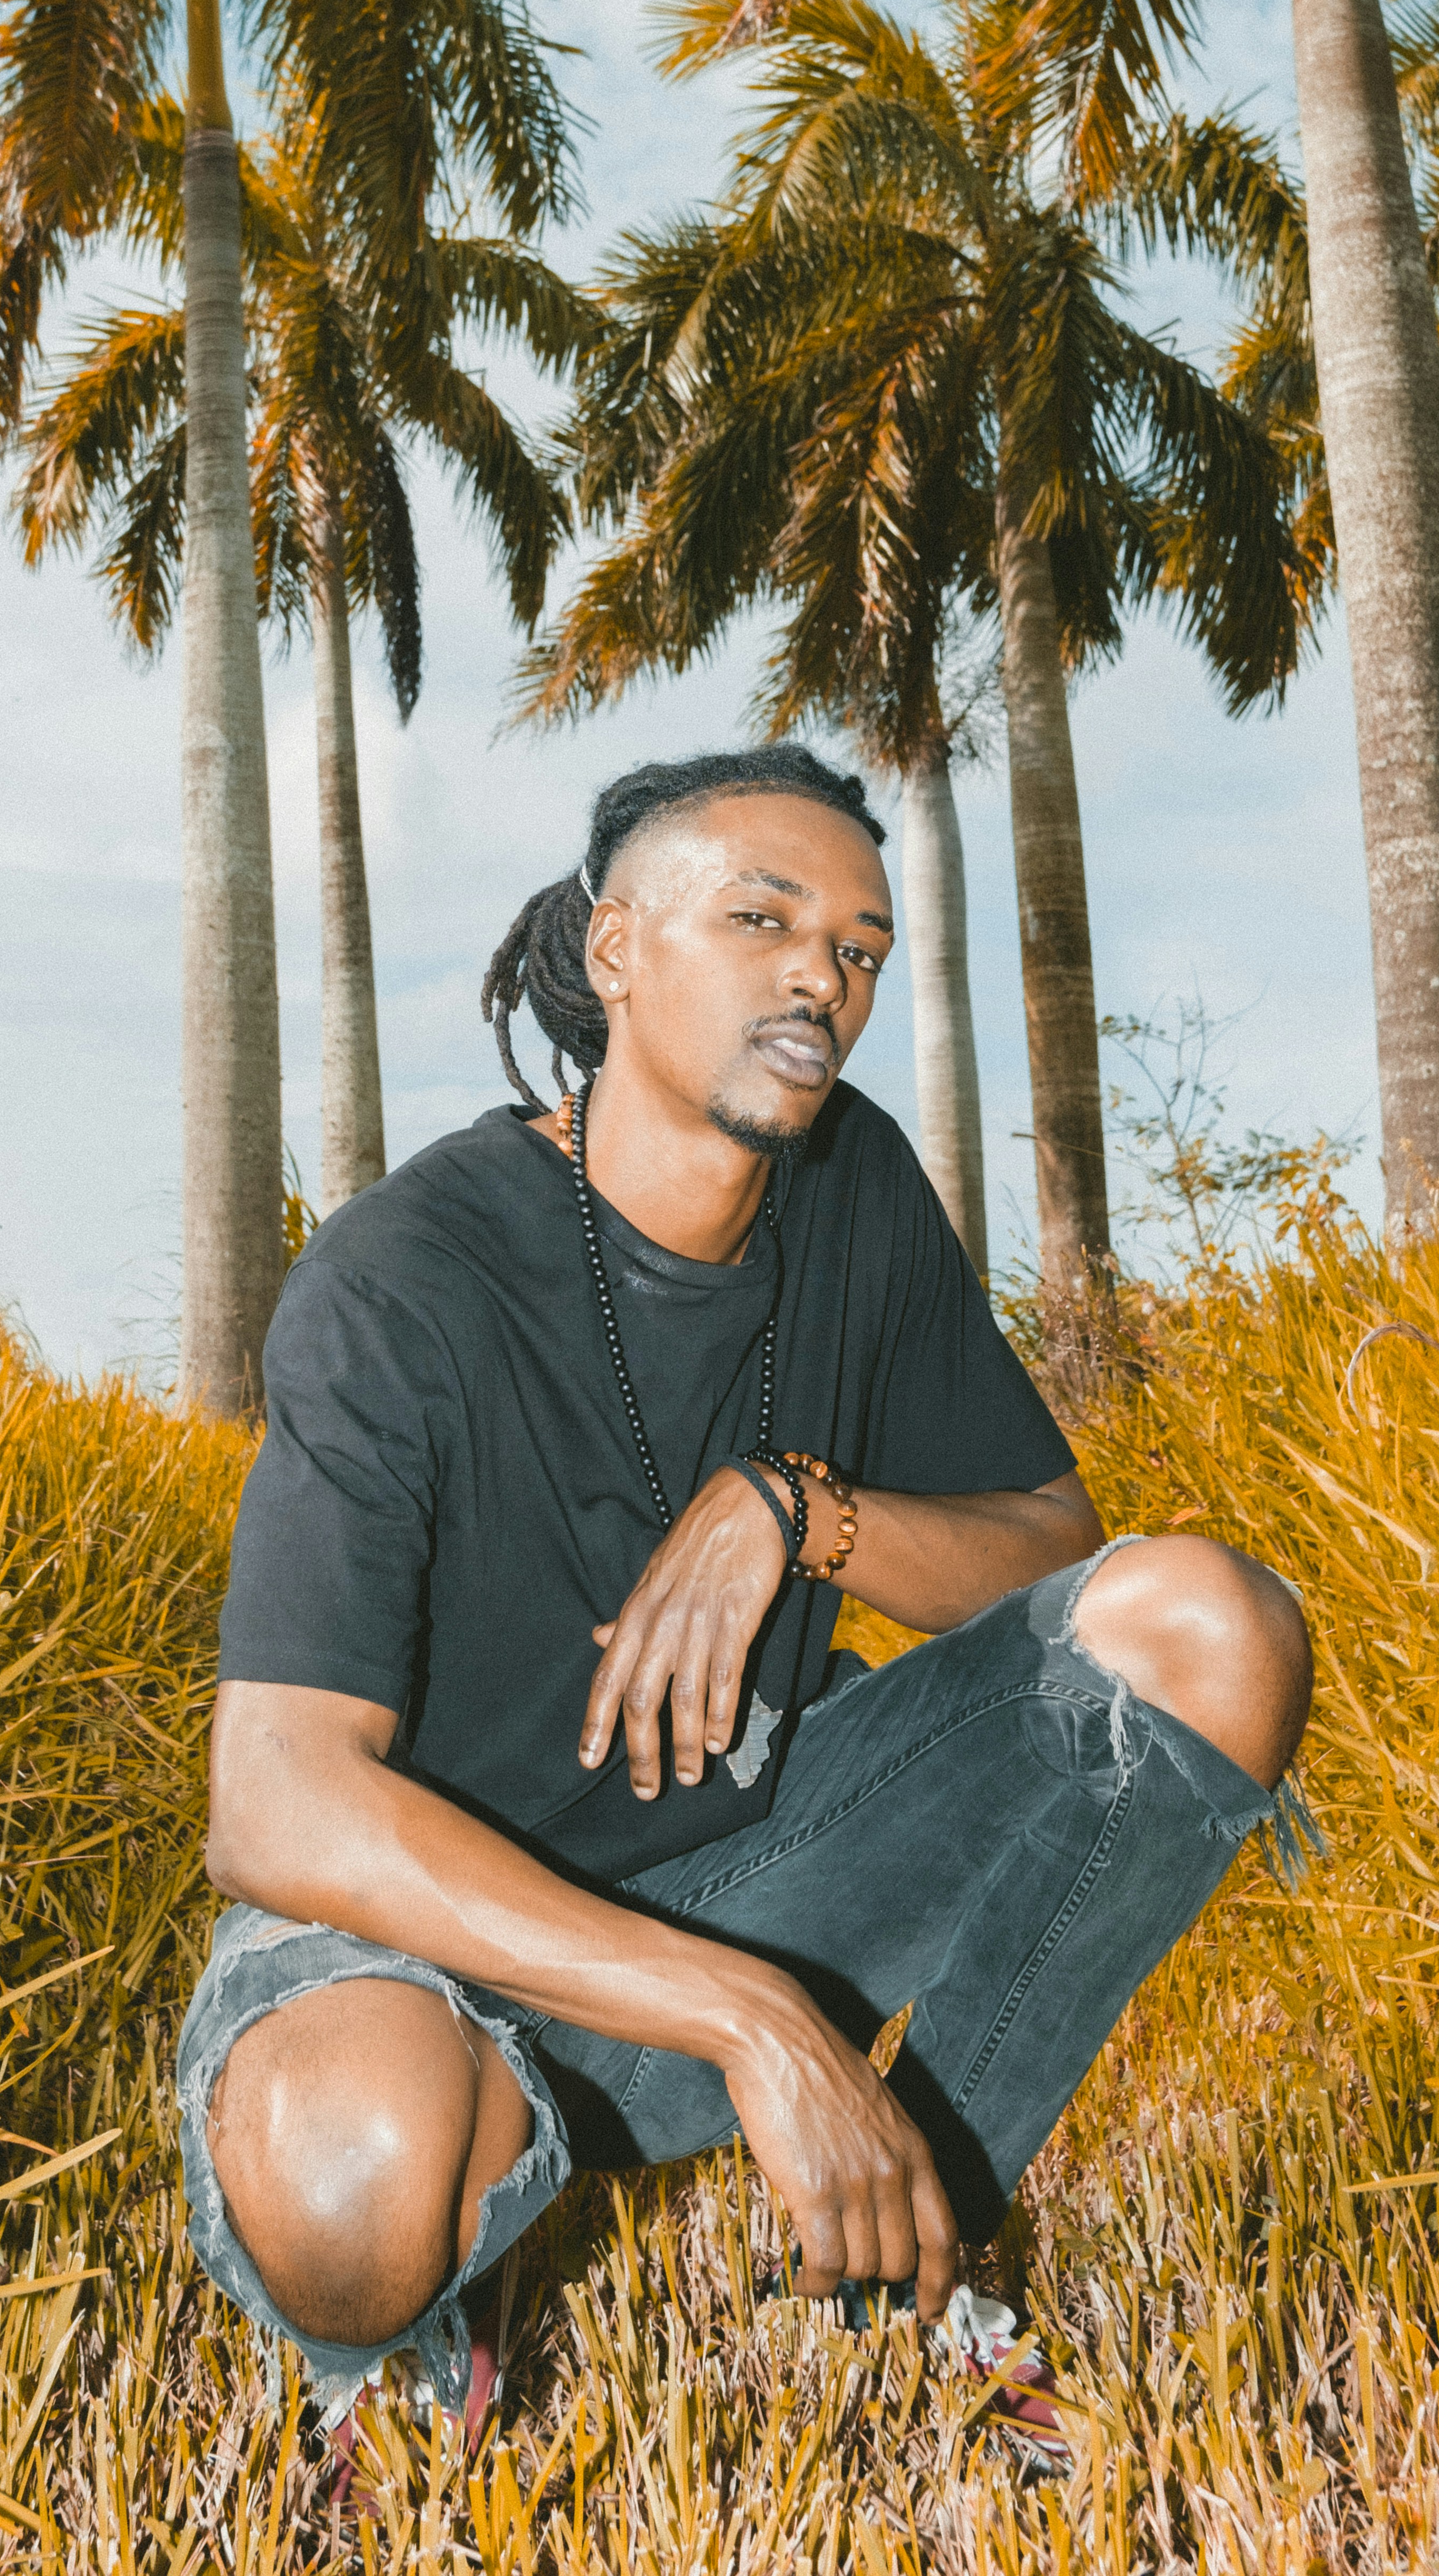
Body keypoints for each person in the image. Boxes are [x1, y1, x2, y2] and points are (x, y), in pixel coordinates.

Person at [180, 742, 1313, 2468]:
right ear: (617, 947)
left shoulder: (853, 1188)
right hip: (433, 1946)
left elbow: (1051, 1543)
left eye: (857, 946)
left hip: (754, 1875)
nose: (822, 976)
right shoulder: (405, 1273)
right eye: (763, 917)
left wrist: (802, 1513)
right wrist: (751, 2017)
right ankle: (432, 2319)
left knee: (1208, 1626)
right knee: (353, 2187)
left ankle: (903, 2270)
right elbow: (276, 1800)